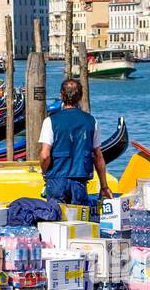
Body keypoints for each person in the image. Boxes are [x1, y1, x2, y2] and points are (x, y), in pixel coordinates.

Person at [38, 78, 113, 207]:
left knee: (56, 222)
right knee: (79, 222)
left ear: (61, 95)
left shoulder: (50, 121)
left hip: (56, 181)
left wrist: (45, 173)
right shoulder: (91, 121)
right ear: (80, 96)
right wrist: (104, 186)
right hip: (79, 182)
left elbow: (45, 155)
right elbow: (98, 157)